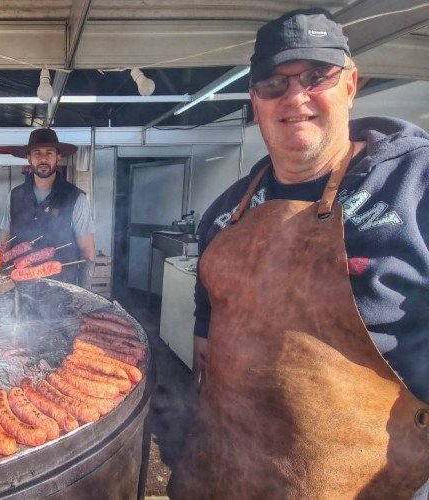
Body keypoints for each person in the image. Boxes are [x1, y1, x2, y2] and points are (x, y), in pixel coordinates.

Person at [170, 8, 429, 499]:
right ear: (255, 101)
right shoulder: (226, 213)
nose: (295, 97)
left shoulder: (415, 184)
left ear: (350, 84)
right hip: (224, 474)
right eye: (273, 84)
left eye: (316, 76)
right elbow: (207, 323)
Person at [0, 128, 96, 287]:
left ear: (58, 157)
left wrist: (84, 292)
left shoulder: (76, 198)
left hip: (63, 289)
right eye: (37, 153)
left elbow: (87, 251)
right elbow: (5, 241)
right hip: (20, 289)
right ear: (29, 158)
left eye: (49, 153)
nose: (43, 158)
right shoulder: (14, 195)